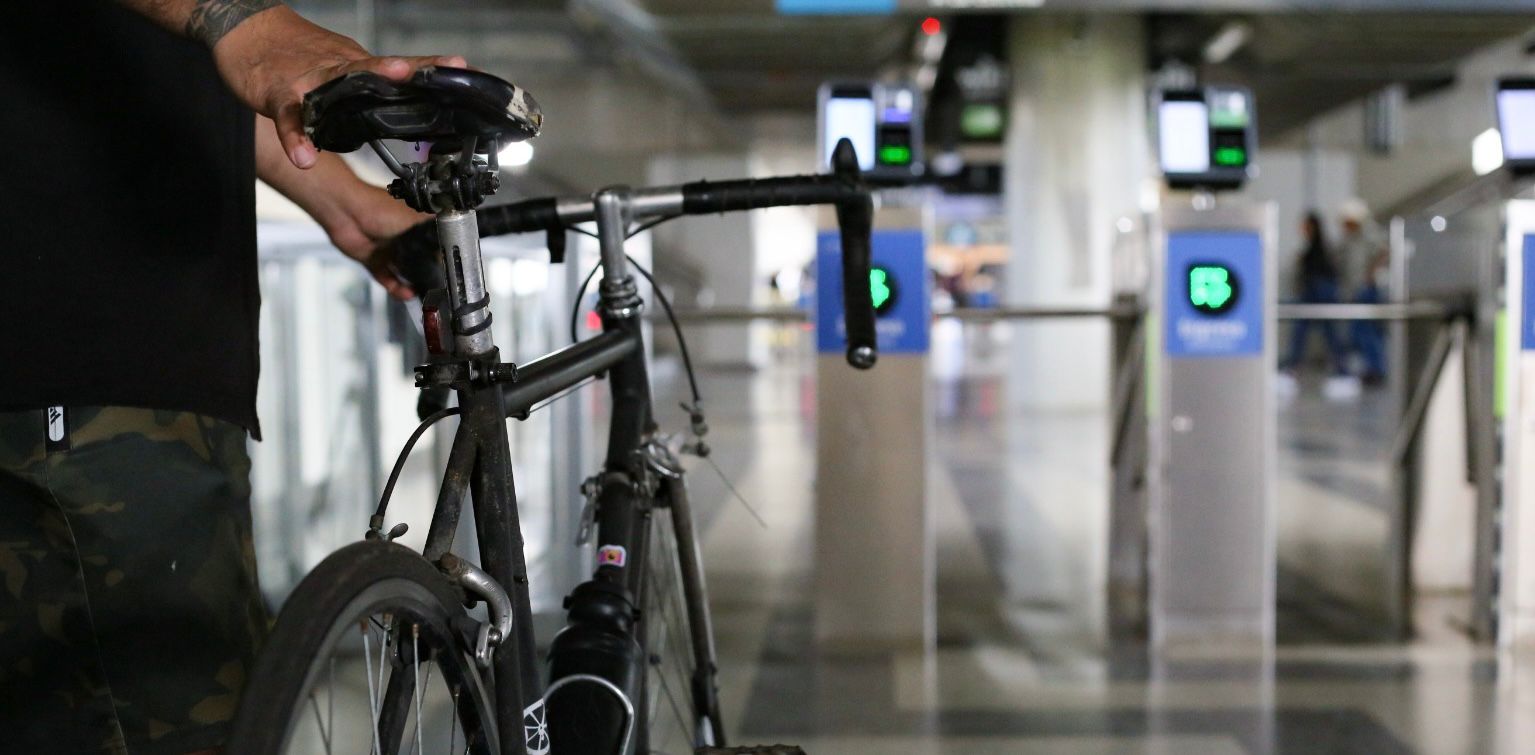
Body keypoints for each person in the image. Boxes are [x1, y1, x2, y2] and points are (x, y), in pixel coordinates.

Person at [0, 1, 467, 752]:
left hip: (131, 368)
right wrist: (238, 19)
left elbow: (154, 68)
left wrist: (346, 203)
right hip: (80, 354)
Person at [1282, 211, 1349, 375]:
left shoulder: (1319, 248)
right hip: (1317, 289)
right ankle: (1340, 368)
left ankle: (1341, 369)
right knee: (1318, 331)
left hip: (1319, 290)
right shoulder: (1315, 247)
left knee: (1324, 331)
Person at [1337, 198, 1390, 385]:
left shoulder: (1369, 233)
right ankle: (1371, 367)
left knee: (1365, 331)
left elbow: (1385, 251)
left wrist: (1371, 275)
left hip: (1367, 290)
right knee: (1359, 332)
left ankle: (1377, 368)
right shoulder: (1351, 238)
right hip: (1355, 289)